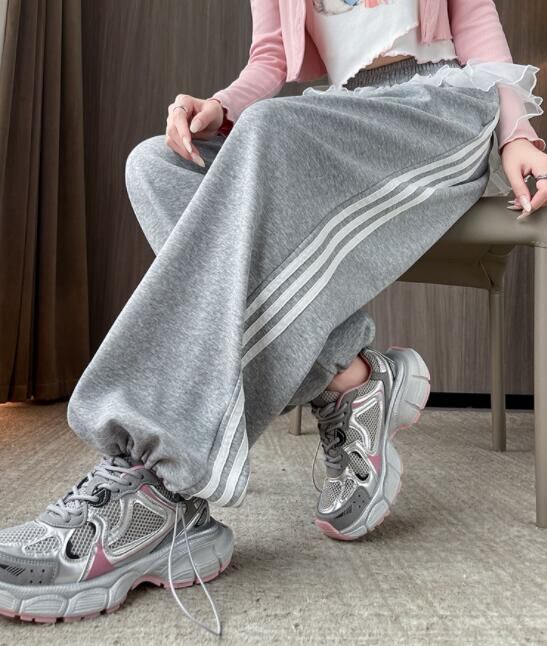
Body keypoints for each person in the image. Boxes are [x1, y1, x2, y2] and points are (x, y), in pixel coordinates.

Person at [1, 0, 546, 634]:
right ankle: (348, 378)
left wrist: (518, 135)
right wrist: (220, 105)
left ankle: (158, 482)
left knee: (267, 129)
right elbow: (271, 59)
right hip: (344, 110)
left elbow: (476, 22)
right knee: (157, 165)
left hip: (440, 109)